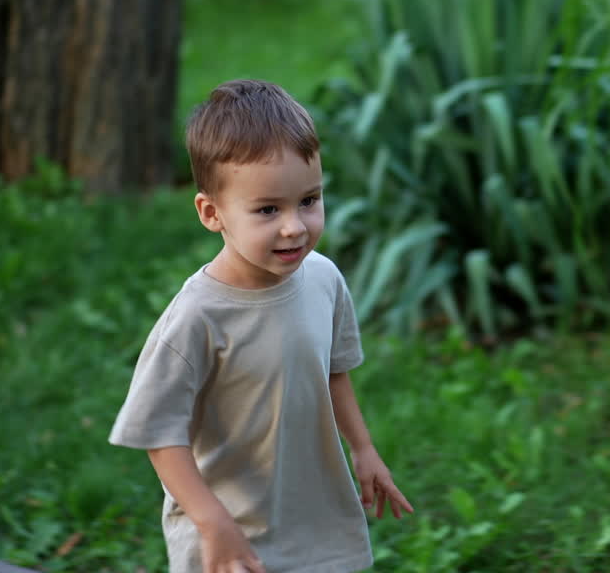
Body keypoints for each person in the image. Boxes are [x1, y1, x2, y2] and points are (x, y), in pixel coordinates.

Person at [109, 79, 412, 573]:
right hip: (230, 537)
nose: (294, 226)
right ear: (212, 213)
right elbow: (159, 433)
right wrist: (211, 521)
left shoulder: (323, 279)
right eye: (268, 209)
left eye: (309, 200)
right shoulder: (198, 318)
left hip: (314, 519)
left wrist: (363, 449)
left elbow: (333, 372)